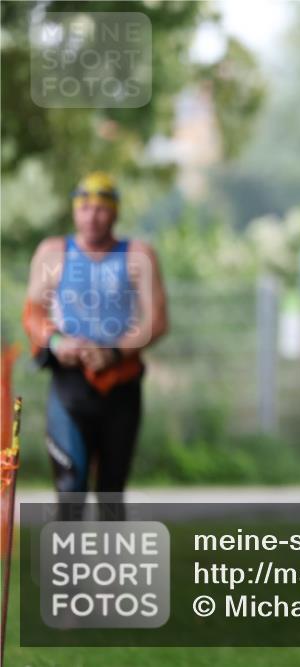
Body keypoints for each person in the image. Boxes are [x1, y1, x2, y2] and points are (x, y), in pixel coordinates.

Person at [22, 172, 168, 520]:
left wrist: (114, 352)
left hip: (120, 383)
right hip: (70, 384)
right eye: (84, 208)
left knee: (111, 493)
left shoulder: (138, 255)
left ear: (115, 212)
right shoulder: (53, 252)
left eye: (101, 209)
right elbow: (32, 312)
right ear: (74, 212)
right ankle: (68, 573)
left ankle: (109, 572)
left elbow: (157, 321)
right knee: (70, 489)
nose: (92, 216)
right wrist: (57, 342)